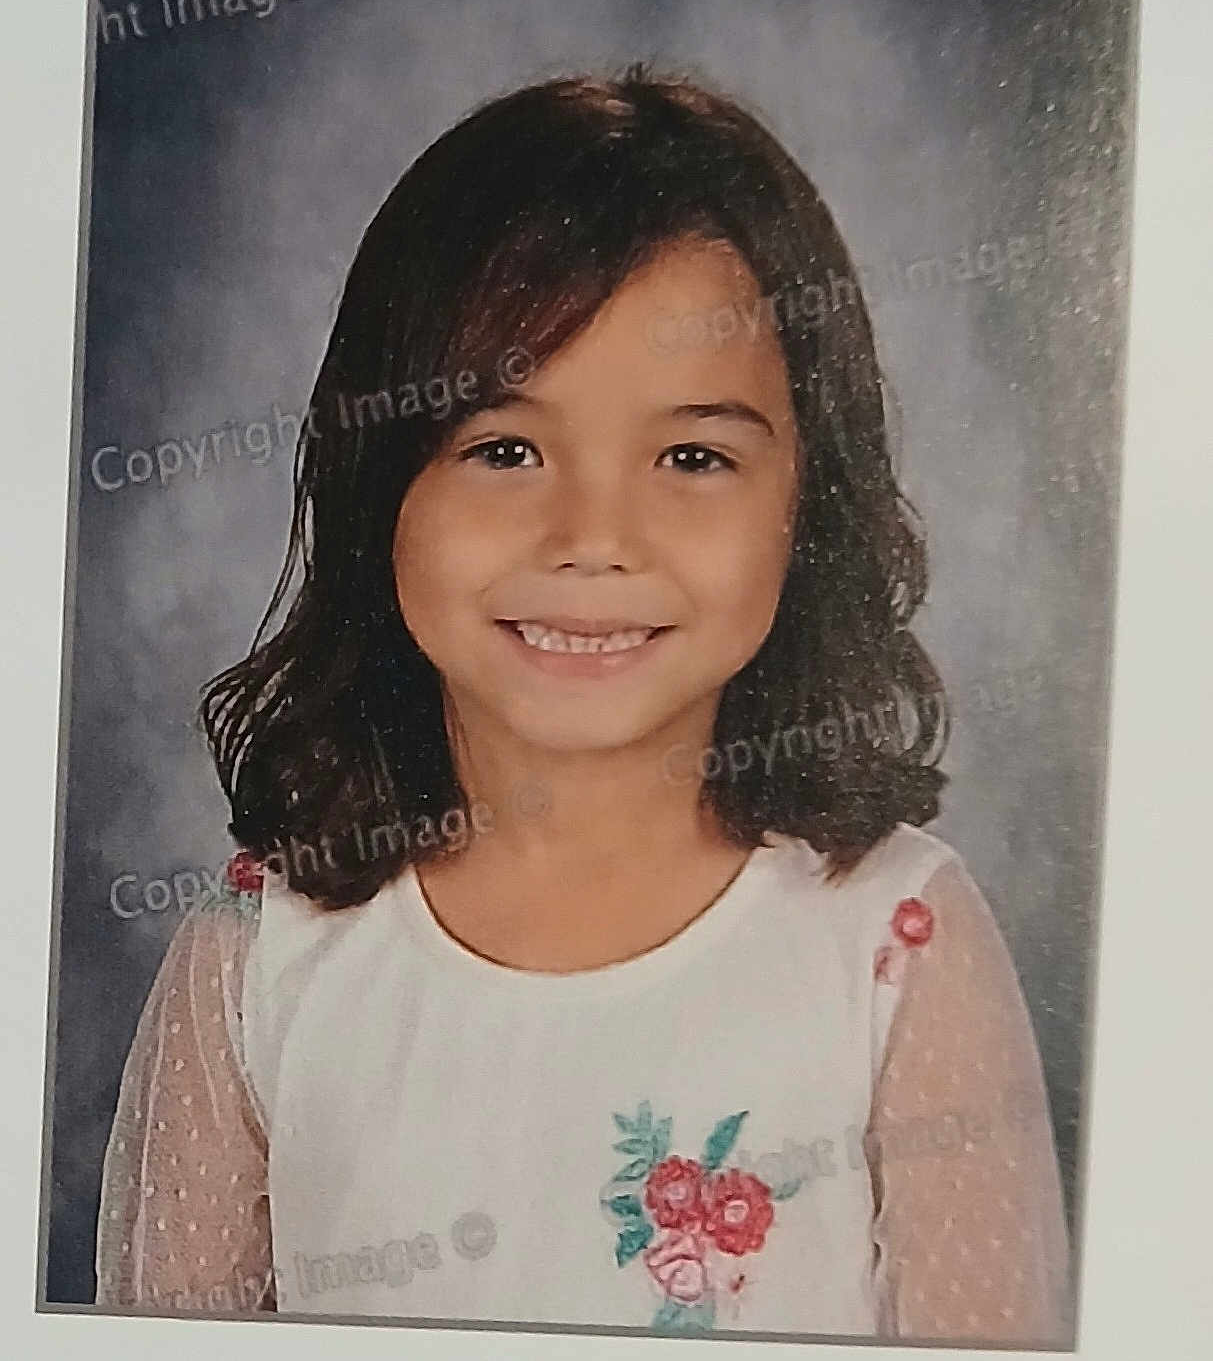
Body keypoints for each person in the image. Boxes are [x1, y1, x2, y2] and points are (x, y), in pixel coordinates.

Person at [96, 66, 1070, 1341]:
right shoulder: (257, 962)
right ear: (375, 479)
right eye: (504, 450)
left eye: (692, 457)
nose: (593, 536)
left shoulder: (894, 944)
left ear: (806, 504)